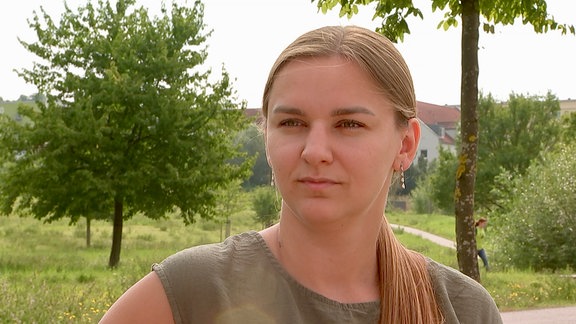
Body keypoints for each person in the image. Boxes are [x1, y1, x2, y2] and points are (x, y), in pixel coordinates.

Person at [100, 25, 502, 324]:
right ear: (267, 136)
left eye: (349, 124)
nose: (314, 151)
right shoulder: (189, 293)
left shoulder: (462, 309)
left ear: (406, 145)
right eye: (292, 123)